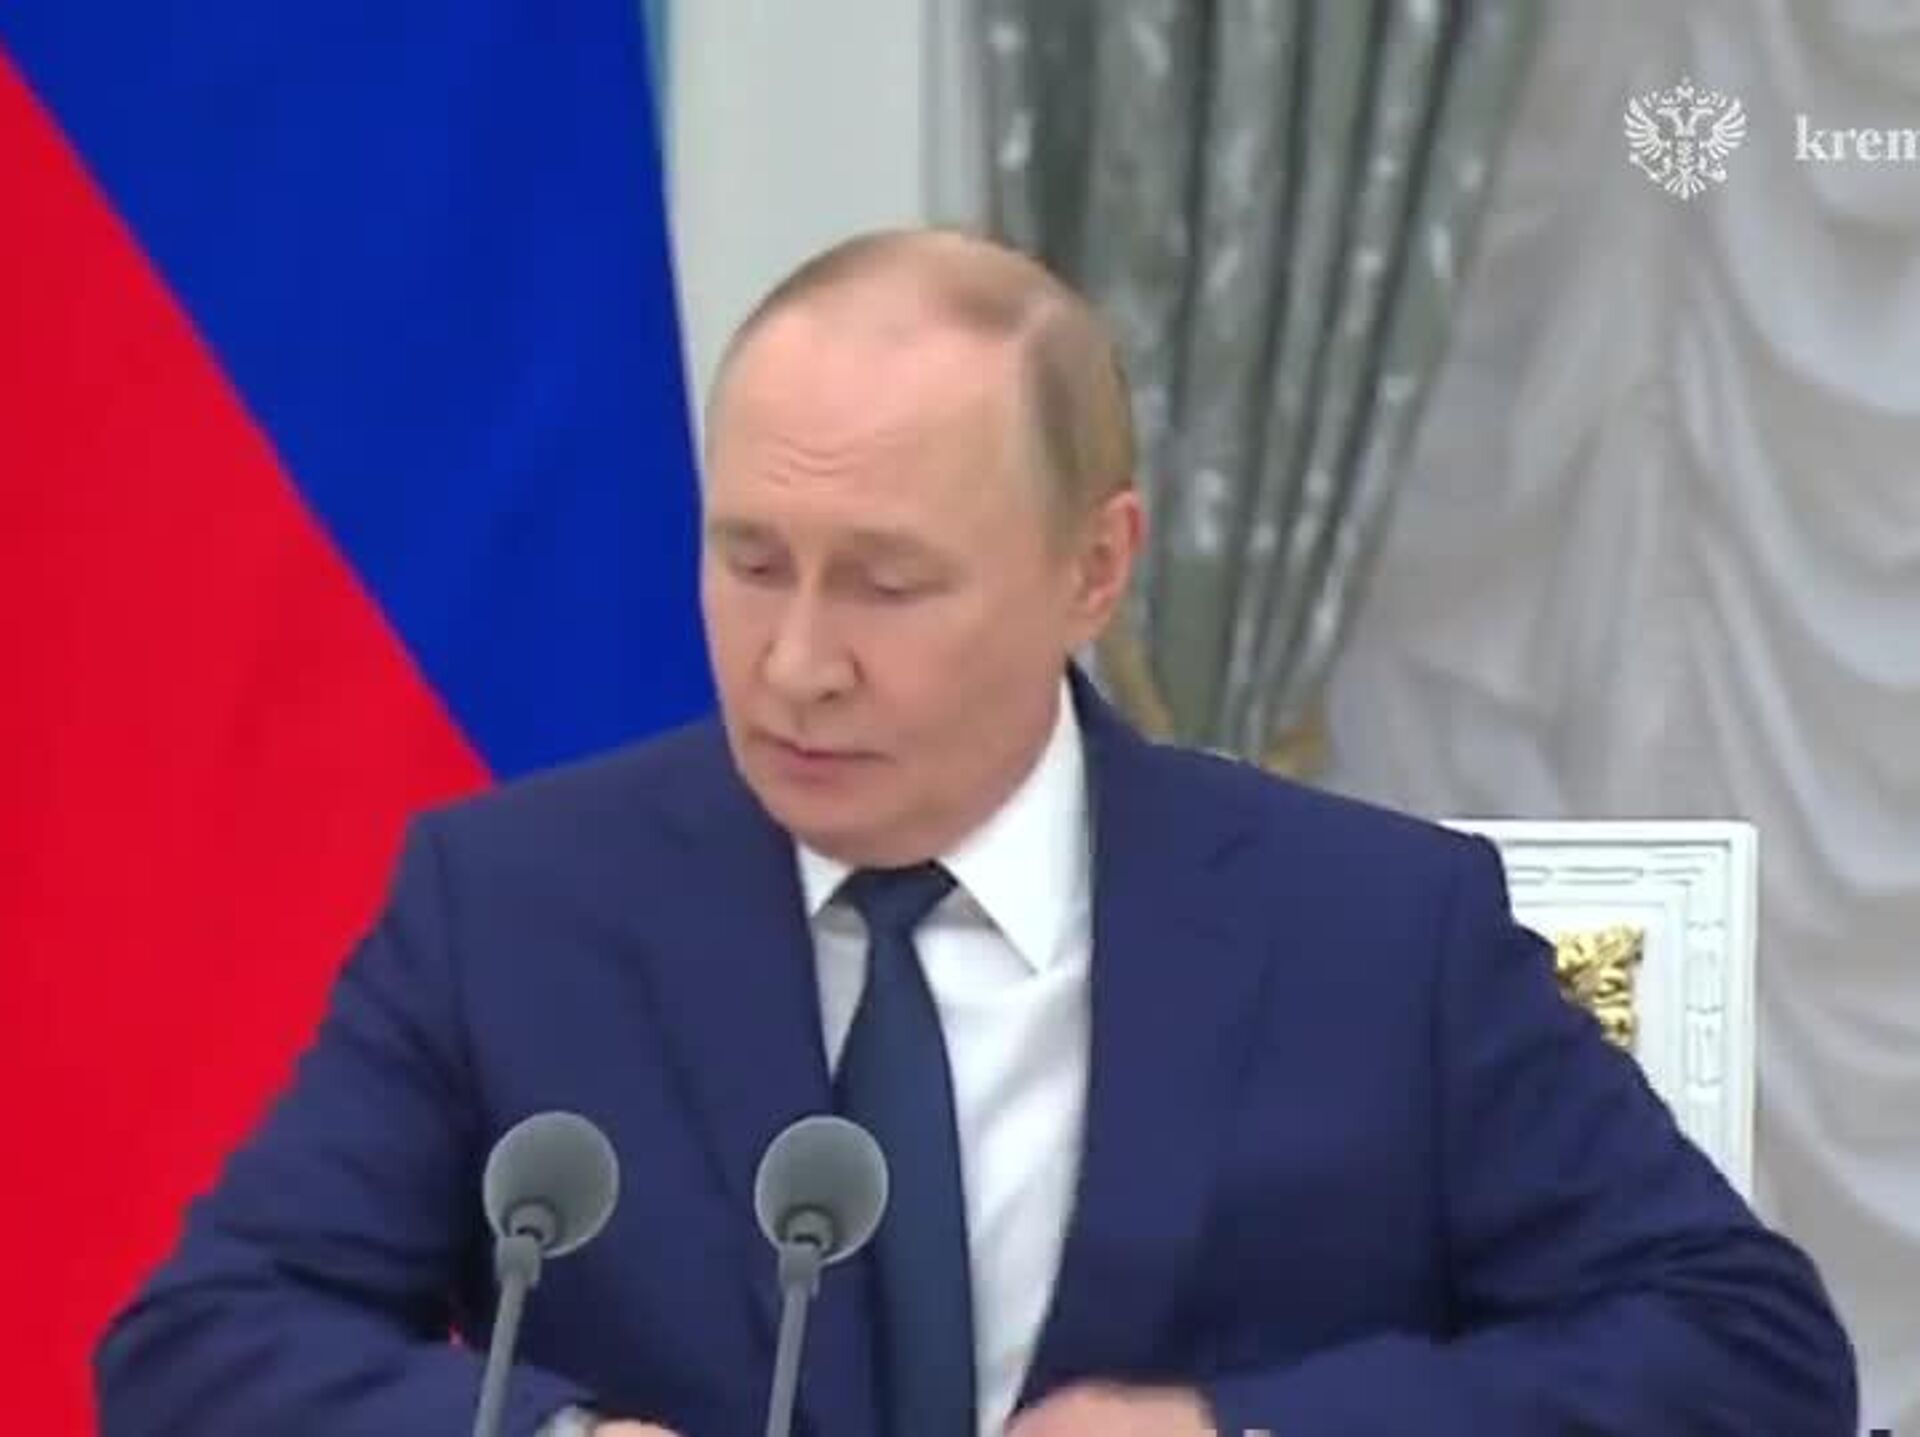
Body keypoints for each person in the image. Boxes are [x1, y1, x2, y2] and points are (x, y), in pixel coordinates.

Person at [95, 228, 1857, 1436]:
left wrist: (1235, 1430)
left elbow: (1746, 1350)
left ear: (1094, 567)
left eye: (887, 583)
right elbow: (205, 1342)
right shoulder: (513, 904)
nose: (797, 662)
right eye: (750, 560)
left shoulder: (1375, 932)